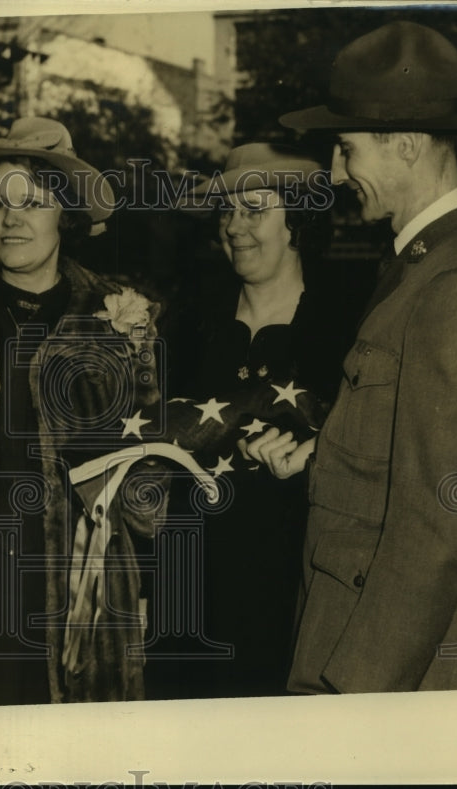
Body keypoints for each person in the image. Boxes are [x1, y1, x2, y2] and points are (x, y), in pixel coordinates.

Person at [244, 21, 457, 693]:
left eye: (347, 150)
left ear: (405, 144)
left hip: (385, 674)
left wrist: (356, 702)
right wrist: (330, 456)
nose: (338, 173)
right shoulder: (423, 268)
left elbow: (436, 525)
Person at [0, 117, 161, 705]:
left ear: (66, 214)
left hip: (86, 600)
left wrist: (147, 588)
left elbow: (148, 484)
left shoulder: (117, 317)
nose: (12, 217)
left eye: (32, 201)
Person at [146, 143, 356, 699]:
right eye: (228, 212)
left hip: (295, 591)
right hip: (191, 590)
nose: (236, 227)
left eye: (255, 211)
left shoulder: (344, 329)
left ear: (298, 224)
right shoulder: (187, 328)